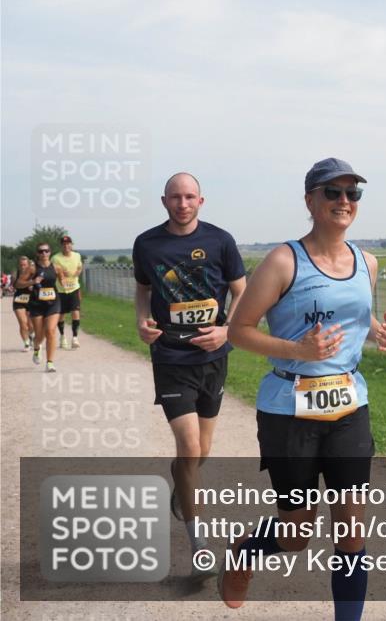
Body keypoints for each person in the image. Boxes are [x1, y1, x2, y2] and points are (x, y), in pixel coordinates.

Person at [221, 157, 386, 620]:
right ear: (310, 201)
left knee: (352, 531)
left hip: (348, 407)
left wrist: (376, 332)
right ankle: (245, 552)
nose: (344, 201)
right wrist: (297, 350)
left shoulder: (368, 263)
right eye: (332, 192)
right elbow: (239, 330)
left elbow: (351, 317)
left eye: (352, 194)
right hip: (289, 410)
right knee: (297, 534)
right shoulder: (283, 260)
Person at [132, 172, 246, 570]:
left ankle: (181, 480)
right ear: (164, 201)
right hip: (170, 358)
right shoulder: (146, 244)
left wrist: (226, 329)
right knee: (191, 446)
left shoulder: (220, 240)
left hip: (214, 357)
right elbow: (144, 290)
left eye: (190, 197)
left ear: (201, 201)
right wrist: (142, 321)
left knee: (203, 451)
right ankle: (198, 543)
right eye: (175, 197)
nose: (183, 203)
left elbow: (242, 291)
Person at [29, 243, 62, 372]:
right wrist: (32, 282)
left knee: (50, 331)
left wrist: (65, 284)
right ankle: (37, 348)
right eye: (41, 251)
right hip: (36, 304)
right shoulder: (32, 269)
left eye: (46, 251)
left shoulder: (56, 267)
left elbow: (62, 280)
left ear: (50, 252)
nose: (44, 254)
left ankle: (50, 362)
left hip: (53, 302)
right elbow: (19, 283)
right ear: (37, 253)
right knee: (39, 335)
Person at [53, 234, 84, 349]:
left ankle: (75, 337)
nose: (66, 246)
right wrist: (60, 273)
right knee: (61, 315)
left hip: (74, 288)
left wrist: (78, 272)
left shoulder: (77, 256)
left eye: (68, 244)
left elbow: (80, 266)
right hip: (61, 290)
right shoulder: (56, 258)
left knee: (75, 312)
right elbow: (54, 271)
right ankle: (62, 336)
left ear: (71, 245)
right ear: (61, 246)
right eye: (64, 244)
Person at [12, 256, 36, 350]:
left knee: (31, 324)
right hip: (19, 300)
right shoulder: (15, 274)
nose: (23, 267)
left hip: (31, 300)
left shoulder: (33, 274)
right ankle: (26, 343)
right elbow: (16, 285)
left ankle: (31, 335)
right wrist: (28, 283)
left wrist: (33, 285)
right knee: (23, 323)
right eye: (21, 265)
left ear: (28, 265)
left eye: (25, 265)